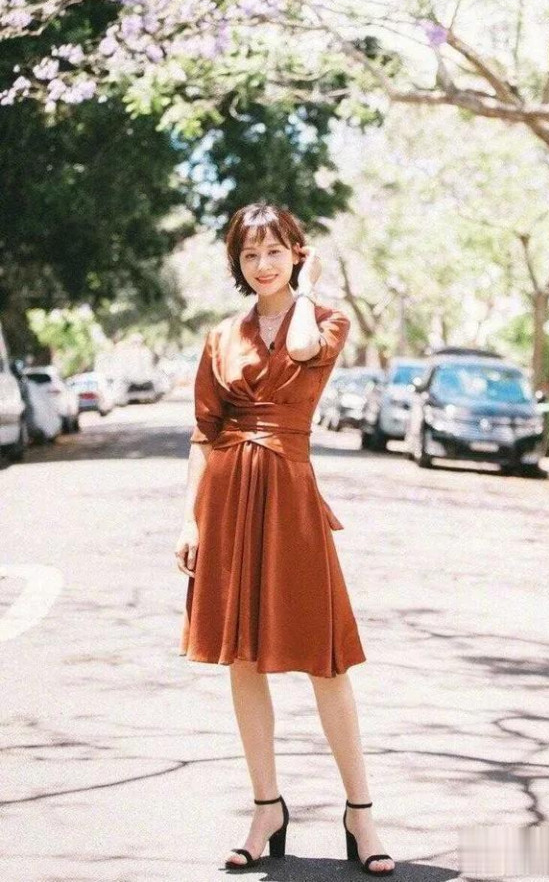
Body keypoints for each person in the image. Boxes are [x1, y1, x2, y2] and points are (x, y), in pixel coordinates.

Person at [175, 202, 395, 875]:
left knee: (326, 659)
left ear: (297, 253)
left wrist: (310, 286)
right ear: (236, 263)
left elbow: (300, 350)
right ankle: (266, 806)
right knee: (242, 657)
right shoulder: (221, 336)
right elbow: (204, 432)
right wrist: (190, 518)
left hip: (291, 497)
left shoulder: (325, 320)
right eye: (249, 254)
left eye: (275, 251)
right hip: (228, 499)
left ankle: (361, 812)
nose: (262, 264)